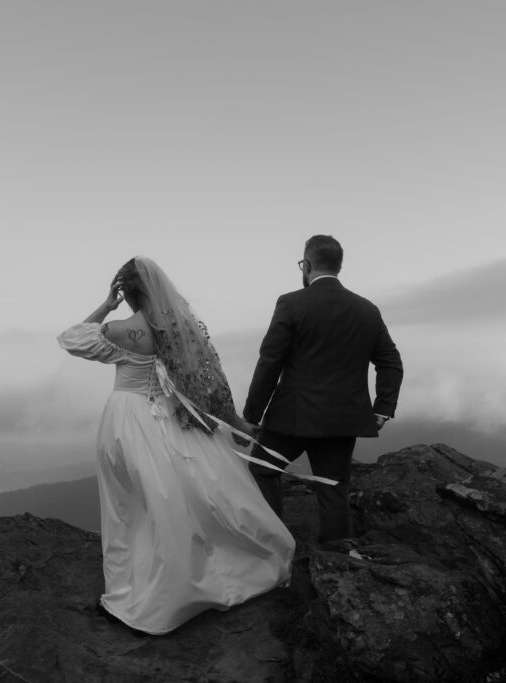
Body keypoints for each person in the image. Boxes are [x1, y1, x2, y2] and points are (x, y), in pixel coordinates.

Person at [57, 257, 295, 636]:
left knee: (127, 505)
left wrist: (107, 304)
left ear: (128, 291)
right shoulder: (182, 329)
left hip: (128, 419)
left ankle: (138, 585)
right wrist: (232, 420)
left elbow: (71, 339)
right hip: (170, 416)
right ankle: (213, 568)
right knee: (175, 494)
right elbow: (210, 380)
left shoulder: (119, 330)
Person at [242, 235, 403, 544]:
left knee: (262, 470)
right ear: (339, 266)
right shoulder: (367, 309)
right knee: (333, 488)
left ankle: (275, 545)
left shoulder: (291, 303)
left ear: (308, 265)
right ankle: (335, 559)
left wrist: (252, 414)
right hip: (343, 419)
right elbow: (391, 362)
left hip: (292, 417)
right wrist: (382, 408)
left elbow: (269, 362)